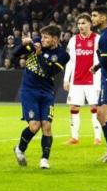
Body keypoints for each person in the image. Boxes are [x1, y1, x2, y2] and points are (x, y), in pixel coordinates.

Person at [13, 25, 69, 170]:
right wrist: (24, 44)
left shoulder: (63, 55)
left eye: (46, 37)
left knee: (47, 126)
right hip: (29, 91)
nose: (42, 40)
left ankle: (44, 159)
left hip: (46, 93)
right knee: (34, 126)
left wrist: (38, 55)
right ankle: (20, 149)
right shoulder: (36, 43)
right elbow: (15, 54)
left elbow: (49, 71)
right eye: (42, 37)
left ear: (55, 39)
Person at [63, 13, 102, 145]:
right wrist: (66, 79)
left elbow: (103, 60)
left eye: (83, 23)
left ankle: (97, 137)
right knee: (74, 107)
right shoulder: (73, 40)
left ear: (90, 24)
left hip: (93, 80)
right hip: (76, 80)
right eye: (79, 23)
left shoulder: (97, 39)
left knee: (95, 107)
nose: (80, 26)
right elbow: (69, 61)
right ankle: (74, 137)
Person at [90, 6, 107, 162]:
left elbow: (106, 60)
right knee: (100, 114)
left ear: (103, 18)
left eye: (95, 15)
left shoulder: (106, 37)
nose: (92, 18)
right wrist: (98, 66)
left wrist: (98, 58)